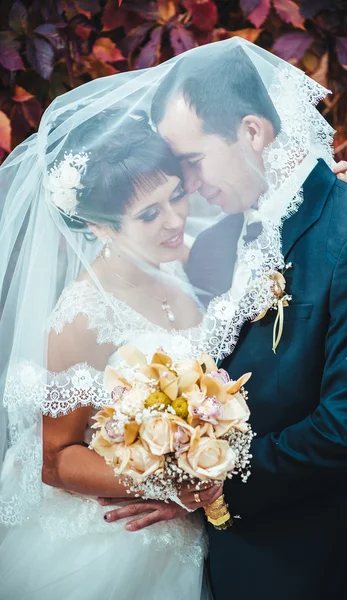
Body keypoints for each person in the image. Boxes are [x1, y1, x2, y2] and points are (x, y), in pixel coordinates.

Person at [105, 38, 347, 600]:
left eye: (192, 161)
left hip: (314, 558)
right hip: (218, 560)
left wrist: (206, 485)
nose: (189, 185)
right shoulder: (216, 242)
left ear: (253, 132)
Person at [0, 107, 216, 599]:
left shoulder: (177, 262)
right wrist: (172, 485)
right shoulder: (82, 316)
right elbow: (52, 459)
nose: (175, 219)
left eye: (176, 195)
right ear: (99, 227)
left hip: (191, 528)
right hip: (115, 543)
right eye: (149, 214)